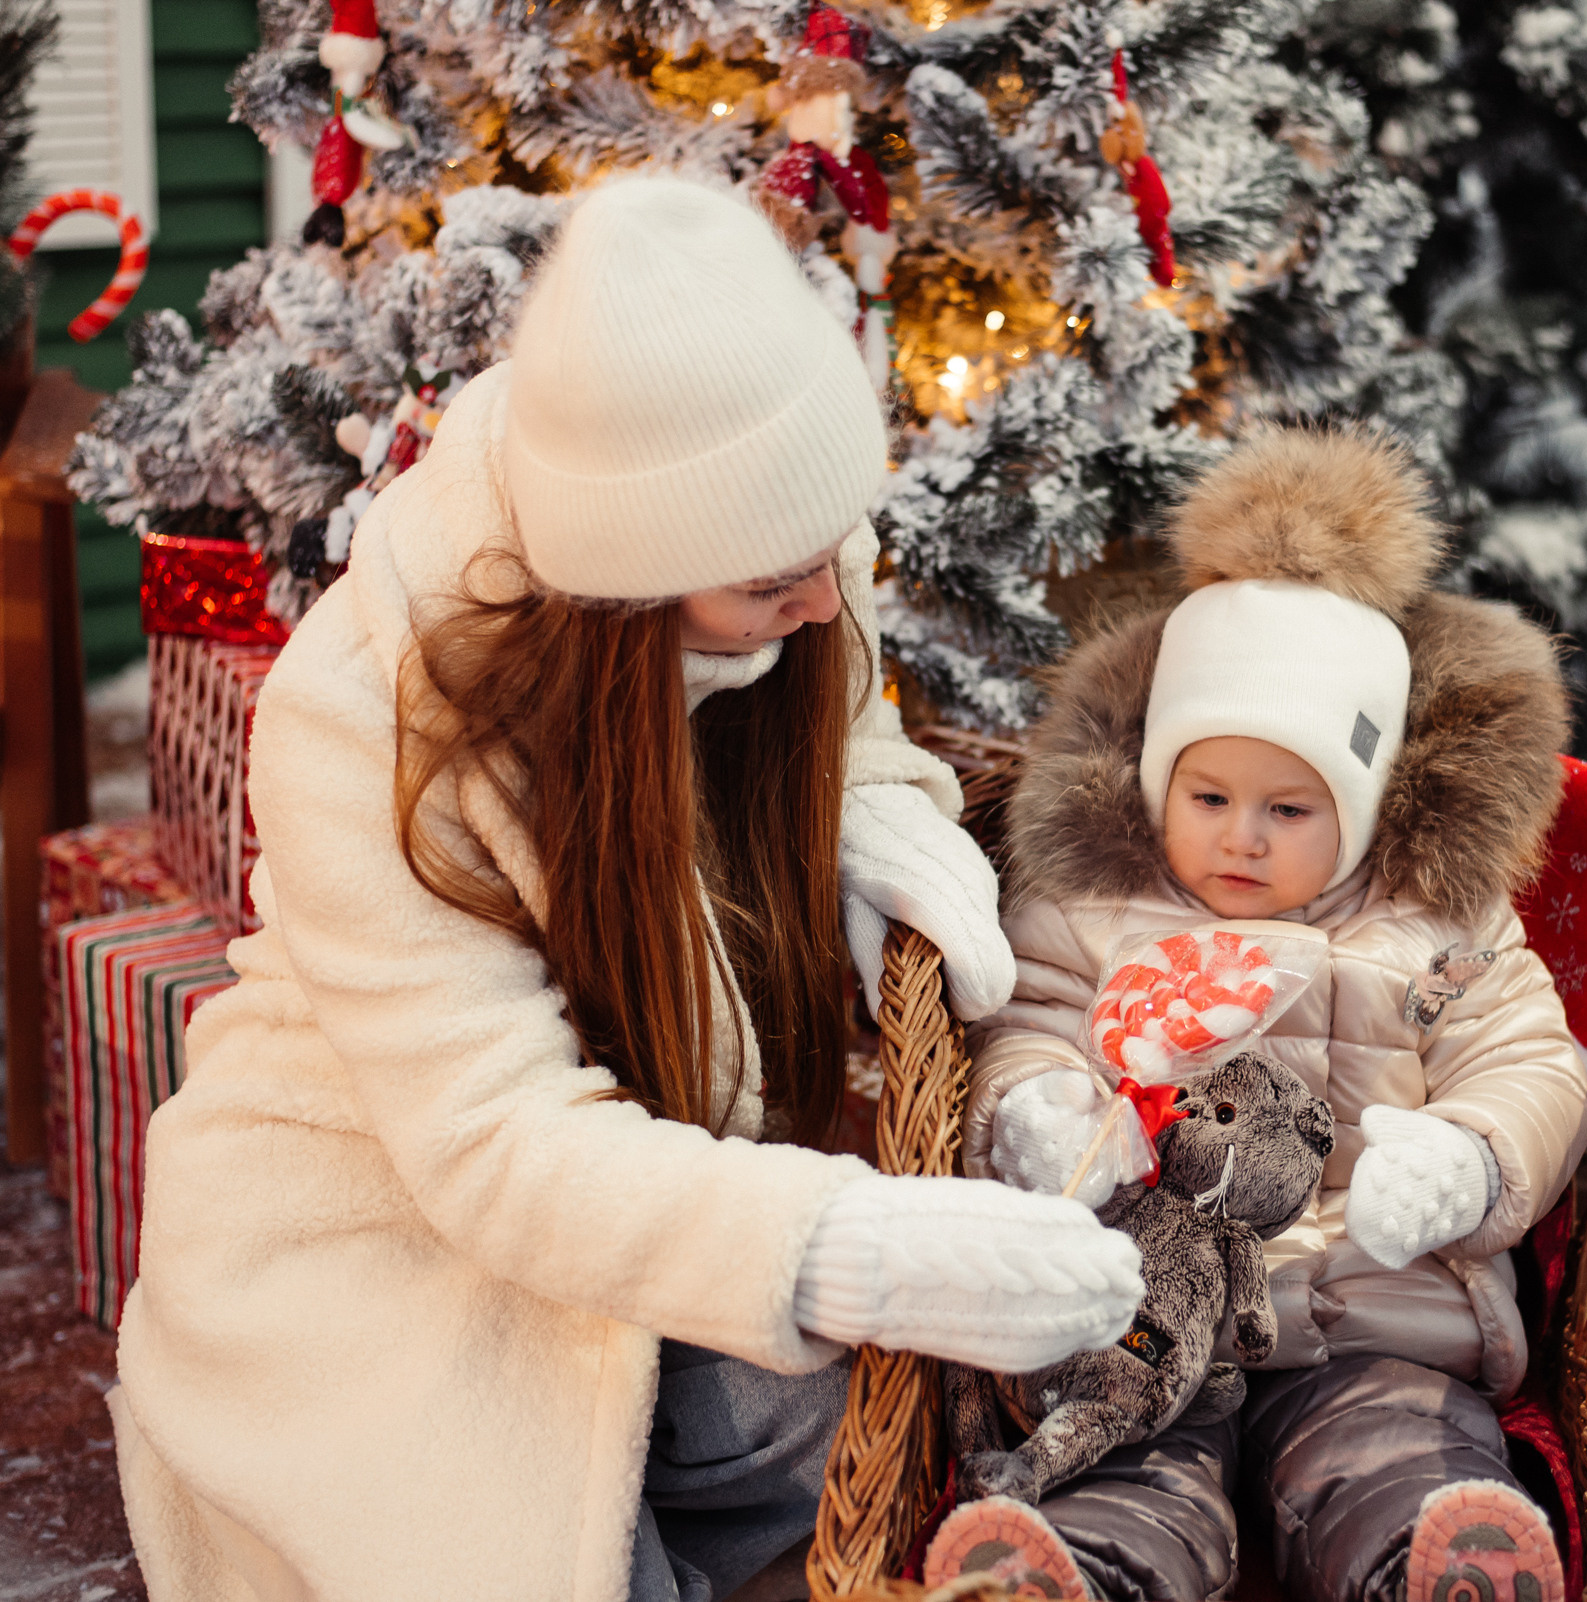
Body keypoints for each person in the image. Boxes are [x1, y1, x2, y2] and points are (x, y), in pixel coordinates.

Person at [108, 176, 1144, 1602]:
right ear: (630, 589)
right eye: (777, 579)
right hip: (391, 1223)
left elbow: (858, 728)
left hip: (653, 1177)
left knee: (910, 1418)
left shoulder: (769, 542)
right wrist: (836, 1243)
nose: (828, 608)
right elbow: (493, 1143)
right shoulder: (360, 725)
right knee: (521, 1542)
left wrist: (875, 819)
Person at [923, 427, 1587, 1602]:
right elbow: (1023, 1018)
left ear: (1367, 801)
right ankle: (1081, 1572)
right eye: (1211, 794)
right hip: (1149, 1309)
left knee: (1391, 1448)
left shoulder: (1435, 918)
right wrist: (1034, 1114)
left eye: (1291, 807)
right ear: (1156, 779)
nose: (1243, 835)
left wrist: (1471, 1162)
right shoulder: (1092, 904)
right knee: (1125, 1452)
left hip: (1371, 1308)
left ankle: (1434, 1564)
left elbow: (1527, 1057)